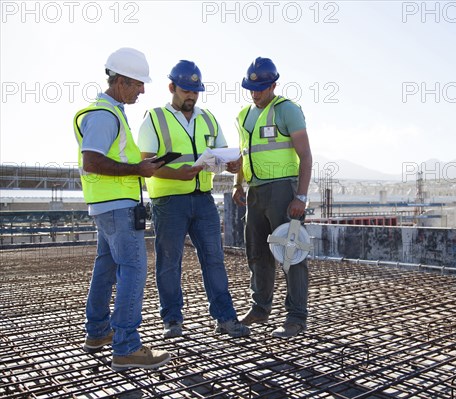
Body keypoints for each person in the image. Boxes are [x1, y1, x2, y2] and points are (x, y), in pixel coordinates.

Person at [73, 47, 171, 371]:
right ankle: (126, 346)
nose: (143, 90)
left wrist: (140, 165)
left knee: (105, 268)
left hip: (107, 206)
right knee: (133, 269)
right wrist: (138, 171)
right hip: (117, 207)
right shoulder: (104, 115)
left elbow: (109, 158)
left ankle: (98, 332)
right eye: (139, 84)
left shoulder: (111, 113)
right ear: (122, 81)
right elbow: (93, 160)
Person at [137, 60, 250, 339]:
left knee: (214, 259)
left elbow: (224, 155)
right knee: (169, 262)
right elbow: (145, 163)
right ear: (172, 87)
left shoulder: (209, 118)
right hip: (168, 202)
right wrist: (179, 175)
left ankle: (225, 318)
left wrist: (232, 165)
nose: (191, 95)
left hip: (203, 201)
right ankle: (172, 321)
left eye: (195, 91)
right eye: (186, 90)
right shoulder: (154, 118)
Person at [233, 57, 313, 338]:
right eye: (252, 89)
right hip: (255, 192)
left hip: (283, 190)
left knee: (291, 254)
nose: (256, 94)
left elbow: (305, 156)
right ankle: (260, 308)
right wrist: (238, 184)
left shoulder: (287, 110)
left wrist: (300, 196)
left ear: (274, 85)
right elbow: (244, 154)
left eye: (262, 89)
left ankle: (296, 317)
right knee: (257, 253)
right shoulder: (243, 116)